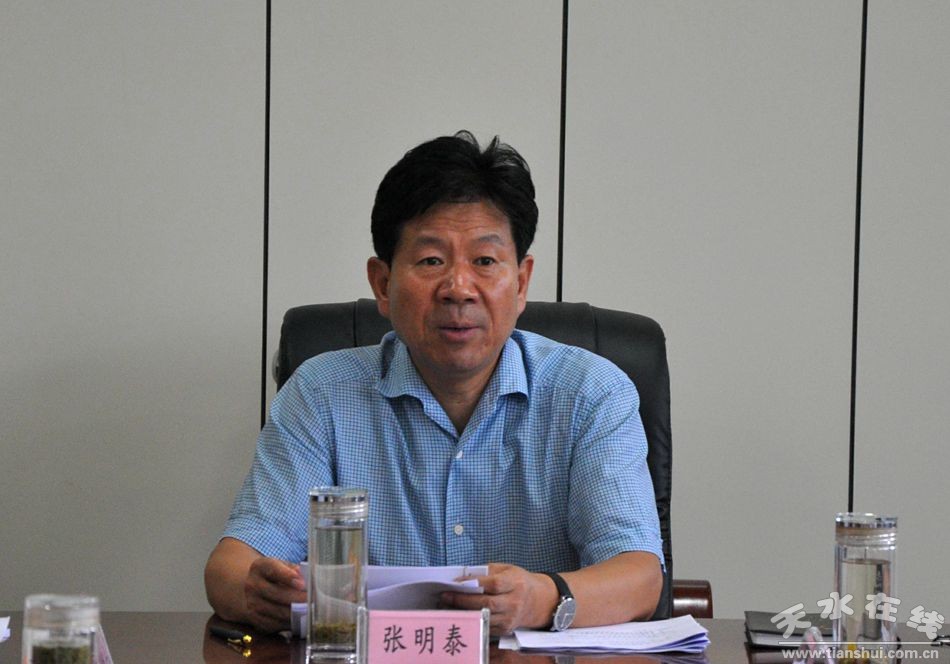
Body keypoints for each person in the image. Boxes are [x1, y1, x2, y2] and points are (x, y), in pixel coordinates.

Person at [204, 131, 663, 636]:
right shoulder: (321, 394)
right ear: (383, 284)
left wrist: (540, 599)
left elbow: (640, 578)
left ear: (521, 282)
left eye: (484, 261)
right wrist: (258, 591)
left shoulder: (590, 393)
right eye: (431, 261)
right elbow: (230, 568)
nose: (458, 289)